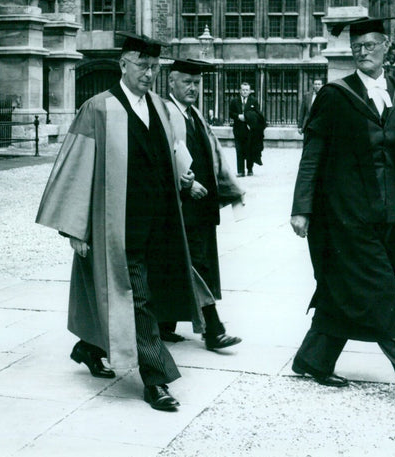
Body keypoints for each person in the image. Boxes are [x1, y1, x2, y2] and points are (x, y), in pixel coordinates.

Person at [36, 33, 207, 412]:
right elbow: (77, 168)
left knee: (141, 294)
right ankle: (156, 380)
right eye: (142, 65)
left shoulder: (161, 108)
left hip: (160, 223)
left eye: (154, 67)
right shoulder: (98, 108)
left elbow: (172, 158)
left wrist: (189, 181)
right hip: (119, 224)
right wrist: (74, 228)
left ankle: (88, 347)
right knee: (139, 299)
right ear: (123, 65)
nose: (149, 73)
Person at [289, 16, 395, 407]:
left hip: (394, 215)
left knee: (350, 289)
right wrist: (302, 209)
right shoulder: (335, 95)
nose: (363, 52)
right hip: (347, 216)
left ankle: (313, 358)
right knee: (380, 293)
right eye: (357, 47)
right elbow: (312, 156)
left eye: (371, 45)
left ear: (385, 46)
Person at [162, 58, 245, 350]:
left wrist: (231, 188)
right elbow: (165, 156)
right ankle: (213, 329)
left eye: (196, 83)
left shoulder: (194, 113)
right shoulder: (166, 112)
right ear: (171, 82)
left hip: (201, 207)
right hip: (182, 206)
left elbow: (214, 153)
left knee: (187, 263)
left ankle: (163, 324)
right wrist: (185, 182)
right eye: (186, 82)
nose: (193, 87)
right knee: (196, 265)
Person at [228, 82, 265, 176]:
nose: (245, 92)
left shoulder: (254, 101)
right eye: (243, 90)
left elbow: (258, 114)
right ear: (240, 91)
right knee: (239, 149)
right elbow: (230, 113)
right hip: (238, 129)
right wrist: (238, 116)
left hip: (250, 130)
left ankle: (250, 169)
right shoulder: (234, 101)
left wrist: (248, 117)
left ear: (250, 91)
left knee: (249, 149)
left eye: (246, 90)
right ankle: (240, 171)